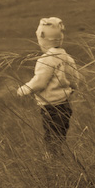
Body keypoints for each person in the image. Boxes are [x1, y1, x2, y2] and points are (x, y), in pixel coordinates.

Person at [17, 17, 81, 156]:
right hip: (65, 105)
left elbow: (39, 82)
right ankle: (60, 157)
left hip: (51, 107)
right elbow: (75, 80)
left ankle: (54, 161)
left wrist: (24, 90)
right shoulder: (67, 58)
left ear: (43, 39)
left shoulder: (46, 60)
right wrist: (70, 90)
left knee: (50, 137)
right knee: (60, 135)